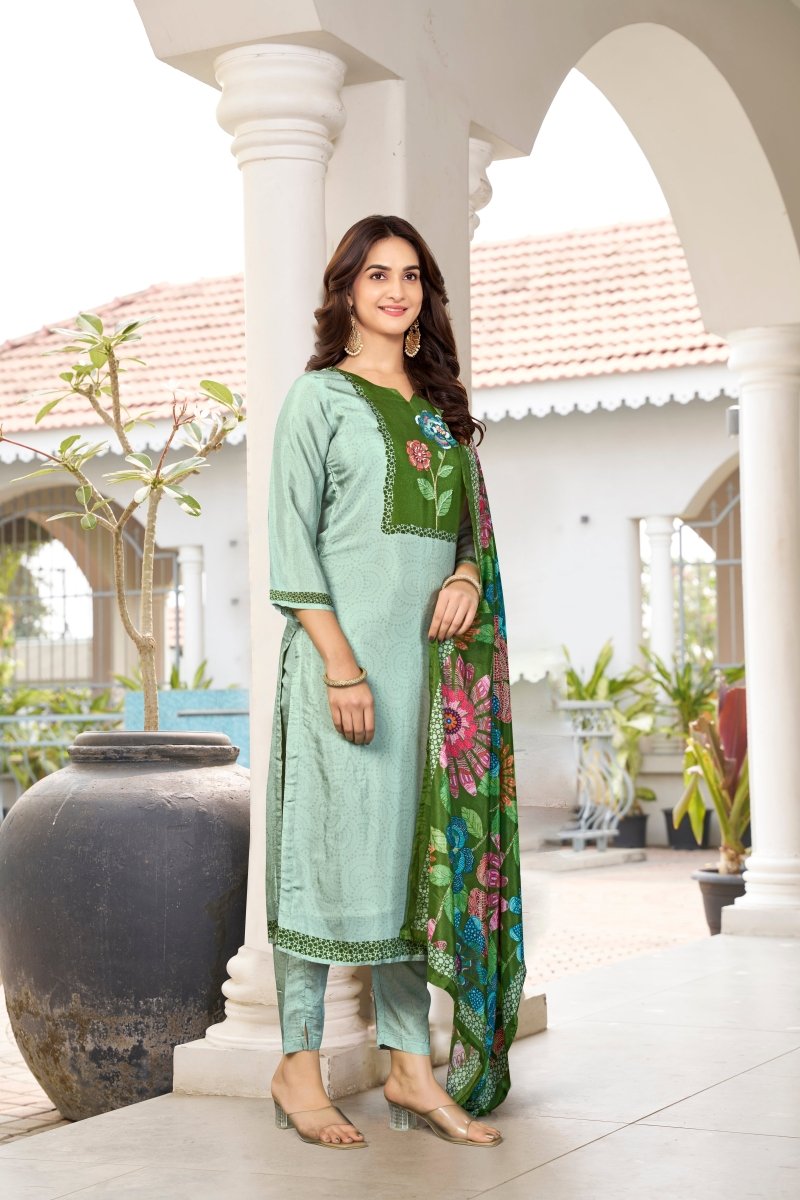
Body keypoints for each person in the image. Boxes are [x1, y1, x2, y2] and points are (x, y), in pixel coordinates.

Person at [265, 214, 525, 1149]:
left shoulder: (441, 410)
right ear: (346, 290)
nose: (395, 290)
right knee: (322, 857)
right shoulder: (319, 399)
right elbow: (291, 547)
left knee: (416, 870)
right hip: (341, 669)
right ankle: (298, 1066)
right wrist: (342, 668)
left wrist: (466, 579)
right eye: (377, 274)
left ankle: (412, 1070)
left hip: (432, 683)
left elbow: (469, 539)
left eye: (410, 275)